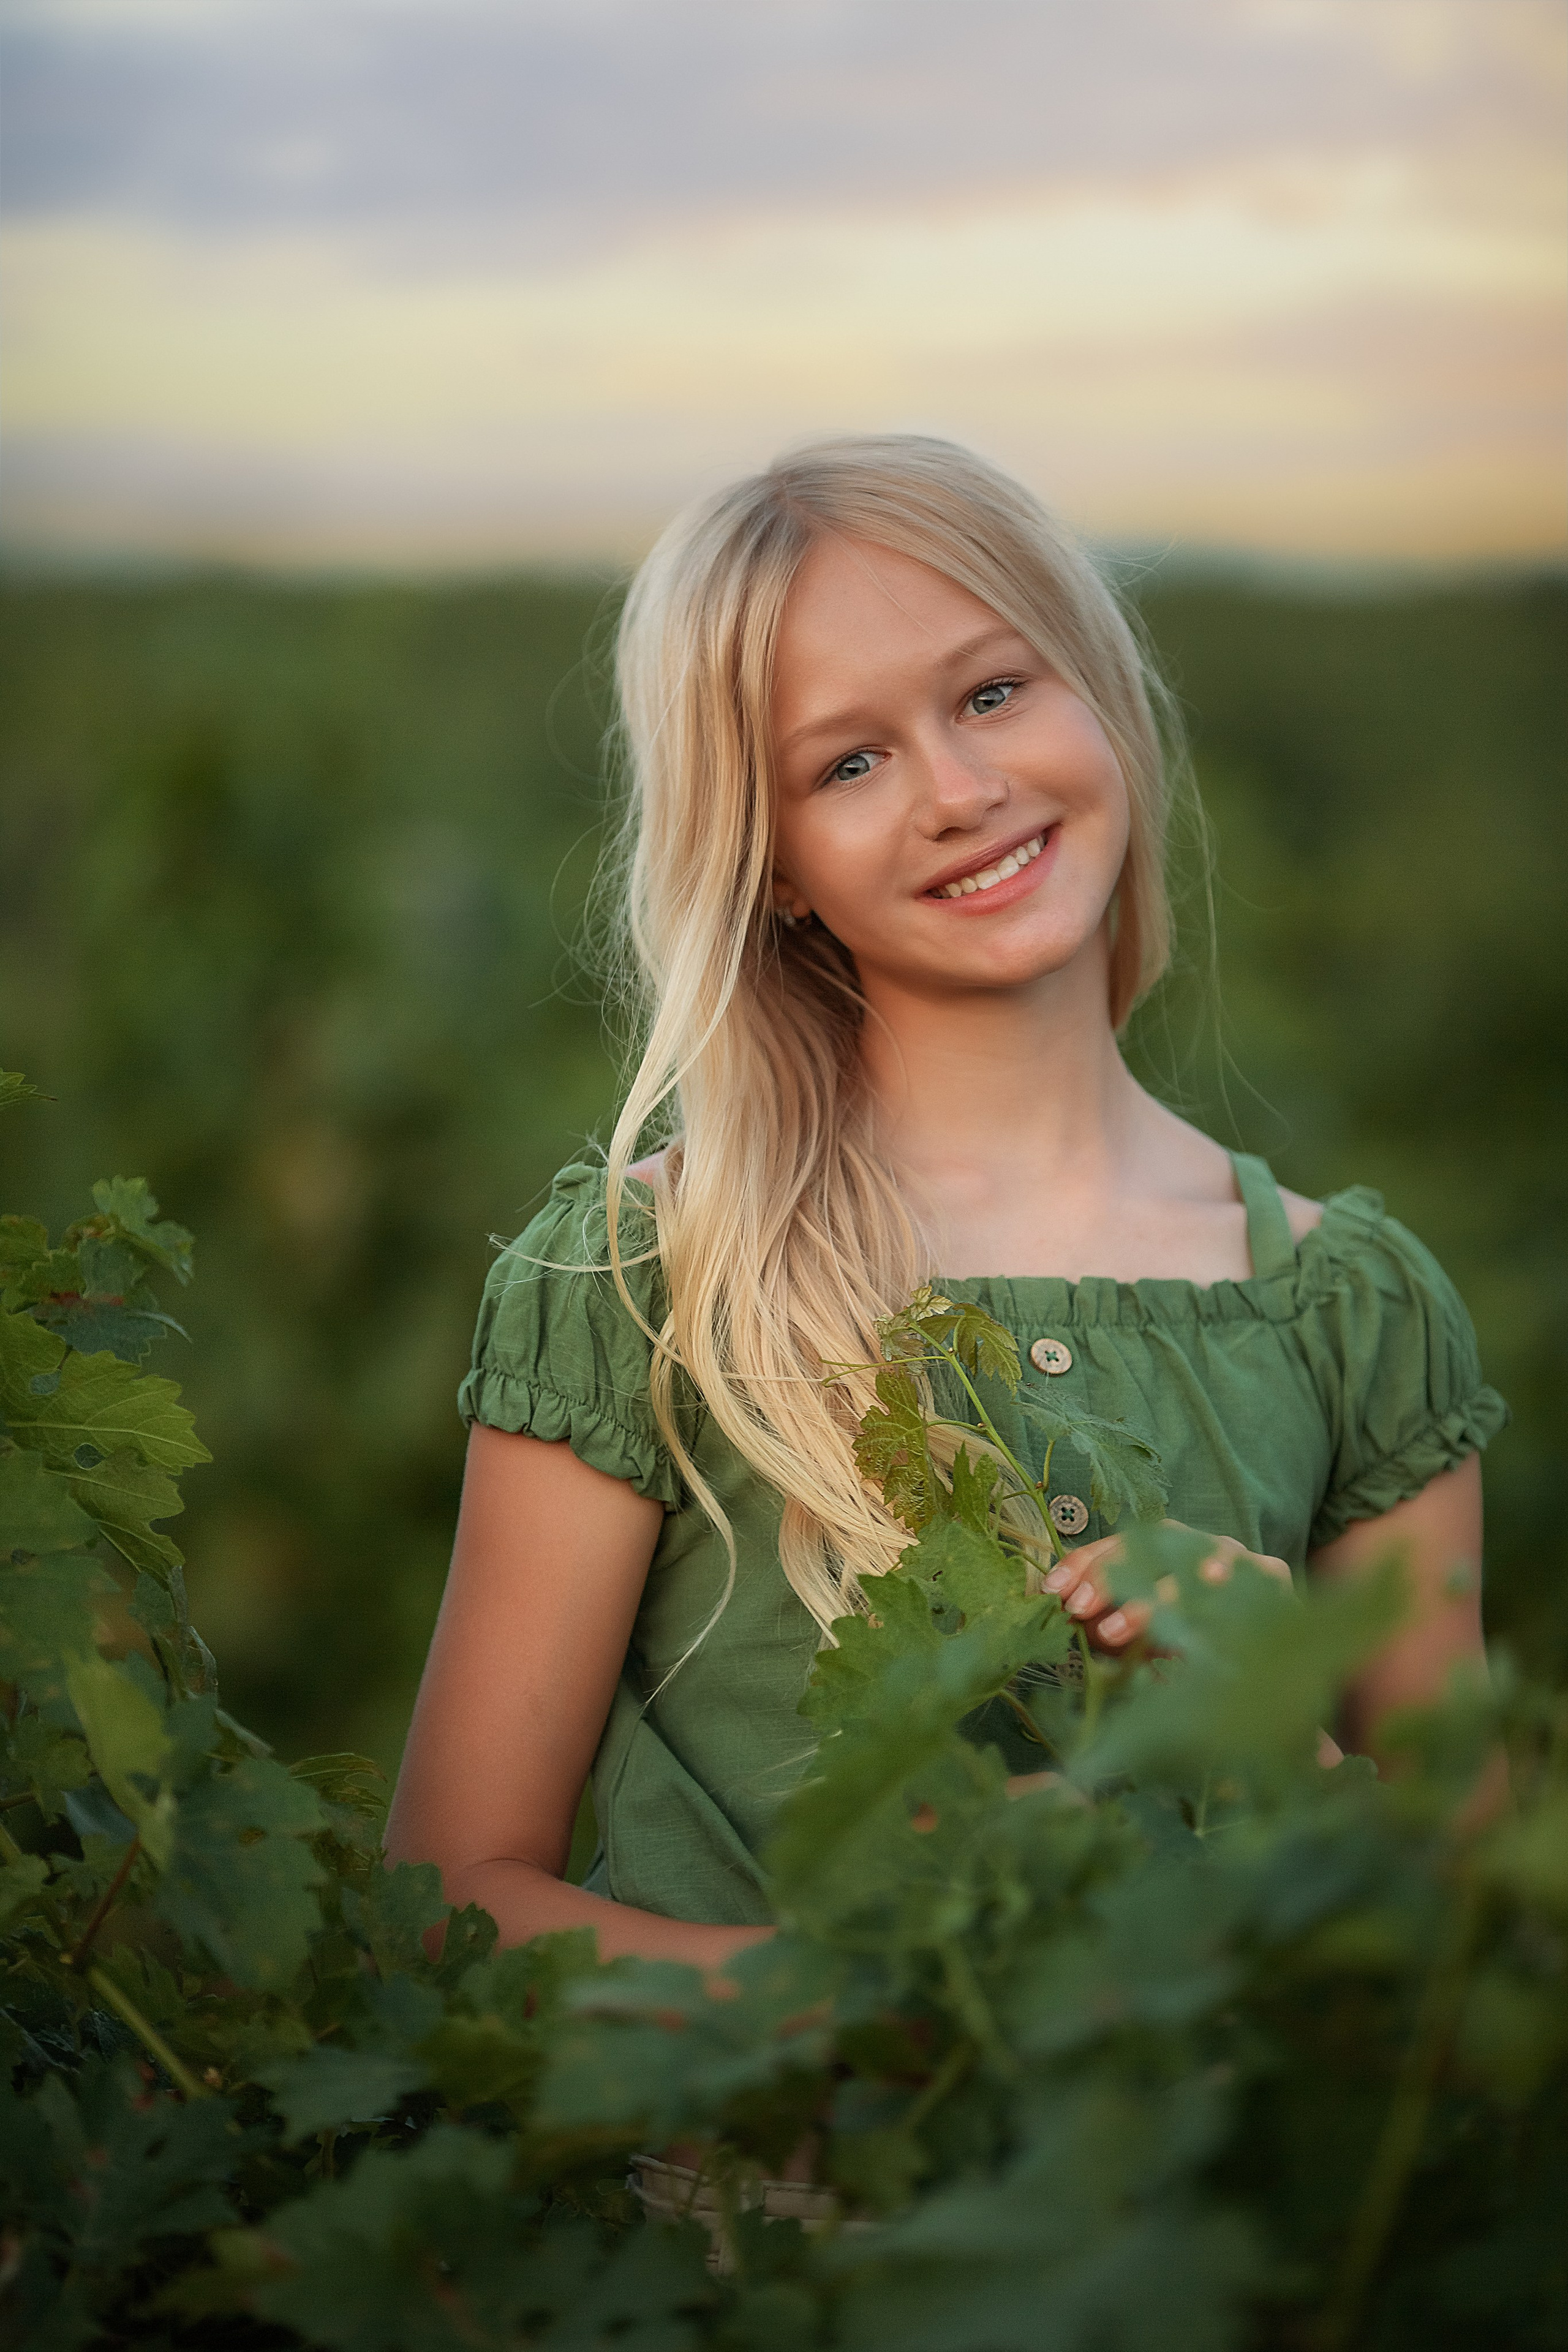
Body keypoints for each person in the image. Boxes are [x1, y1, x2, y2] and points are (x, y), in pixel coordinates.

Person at [384, 435, 1507, 1981]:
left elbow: (1472, 1948)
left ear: (1099, 693)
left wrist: (1280, 1730)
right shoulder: (650, 1276)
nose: (961, 792)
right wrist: (837, 2014)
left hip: (1191, 2210)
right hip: (738, 2200)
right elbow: (447, 1902)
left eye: (989, 693)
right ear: (770, 865)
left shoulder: (1346, 1304)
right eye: (849, 763)